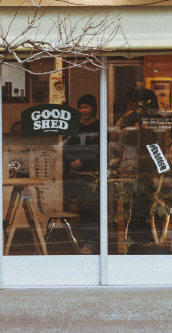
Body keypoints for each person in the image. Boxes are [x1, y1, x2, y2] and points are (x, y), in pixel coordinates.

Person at [64, 93, 100, 253]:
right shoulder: (75, 128)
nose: (83, 110)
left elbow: (99, 151)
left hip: (94, 176)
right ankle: (89, 242)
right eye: (81, 107)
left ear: (93, 108)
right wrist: (71, 161)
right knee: (83, 211)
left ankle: (93, 242)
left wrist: (82, 160)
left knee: (93, 210)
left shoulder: (99, 127)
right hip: (79, 176)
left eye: (86, 106)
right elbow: (67, 148)